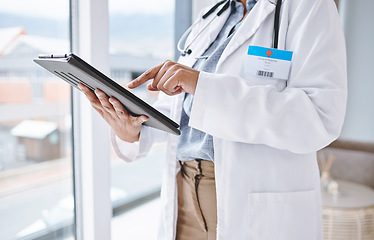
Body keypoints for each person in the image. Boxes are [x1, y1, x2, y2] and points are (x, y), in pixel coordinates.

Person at [79, 0, 347, 239]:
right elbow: (183, 107)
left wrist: (201, 84)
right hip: (183, 198)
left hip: (250, 207)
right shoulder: (214, 14)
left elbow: (319, 116)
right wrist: (134, 130)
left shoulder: (308, 6)